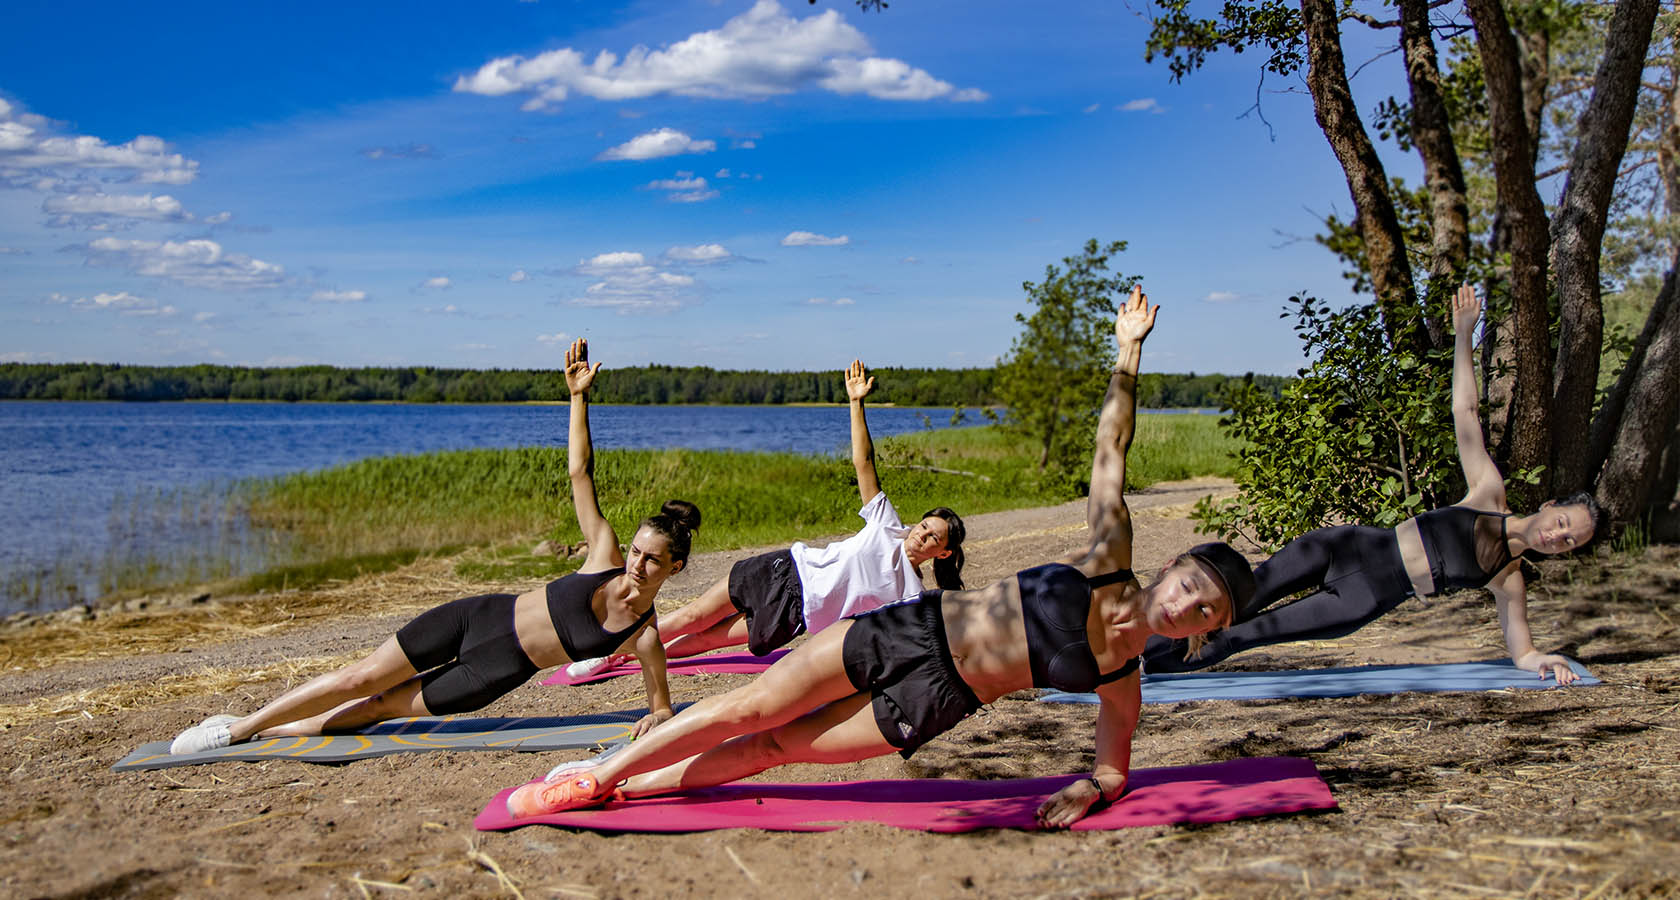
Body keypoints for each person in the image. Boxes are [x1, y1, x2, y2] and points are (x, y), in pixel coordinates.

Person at [506, 286, 1257, 829]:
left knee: (774, 747)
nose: (1188, 603)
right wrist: (1127, 353)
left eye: (1206, 610)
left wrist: (1092, 791)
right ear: (1171, 568)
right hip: (905, 629)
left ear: (1204, 630)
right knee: (747, 705)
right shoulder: (1110, 560)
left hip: (936, 699)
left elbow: (1113, 761)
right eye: (1191, 583)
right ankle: (594, 773)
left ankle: (628, 792)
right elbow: (1110, 453)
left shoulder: (1123, 679)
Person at [169, 338, 695, 754]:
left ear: (673, 569)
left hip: (496, 672)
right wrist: (578, 398)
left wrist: (659, 715)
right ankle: (240, 727)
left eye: (652, 560)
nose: (637, 564)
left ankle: (267, 734)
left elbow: (660, 704)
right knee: (362, 676)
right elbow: (580, 471)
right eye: (637, 552)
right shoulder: (602, 553)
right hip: (476, 618)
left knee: (379, 708)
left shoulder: (645, 637)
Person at [1143, 284, 1598, 684]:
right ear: (1549, 504)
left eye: (1570, 541)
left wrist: (1543, 660)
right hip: (1345, 546)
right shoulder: (1488, 493)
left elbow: (1522, 650)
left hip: (1363, 597)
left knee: (1242, 634)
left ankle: (1141, 667)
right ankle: (1128, 638)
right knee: (1240, 595)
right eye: (1563, 522)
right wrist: (1463, 336)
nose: (1559, 536)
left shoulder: (1508, 578)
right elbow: (1466, 414)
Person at [563, 359, 966, 677]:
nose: (921, 536)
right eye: (924, 526)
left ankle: (635, 659)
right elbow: (864, 462)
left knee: (706, 640)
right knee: (692, 616)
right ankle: (605, 653)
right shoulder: (885, 524)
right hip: (782, 570)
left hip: (796, 615)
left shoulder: (909, 592)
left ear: (943, 555)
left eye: (933, 539)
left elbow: (903, 636)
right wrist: (856, 402)